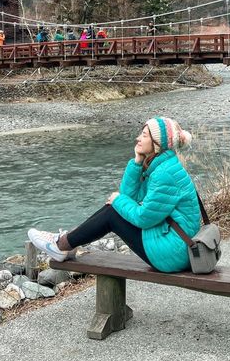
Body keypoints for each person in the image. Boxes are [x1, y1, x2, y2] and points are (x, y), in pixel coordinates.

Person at [28, 117, 201, 273]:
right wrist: (137, 162)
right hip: (173, 243)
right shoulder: (162, 166)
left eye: (144, 135)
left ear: (158, 143)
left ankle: (62, 245)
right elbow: (130, 196)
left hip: (172, 252)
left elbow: (144, 218)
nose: (138, 139)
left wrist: (118, 200)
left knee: (113, 213)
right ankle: (65, 243)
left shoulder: (165, 174)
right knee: (115, 207)